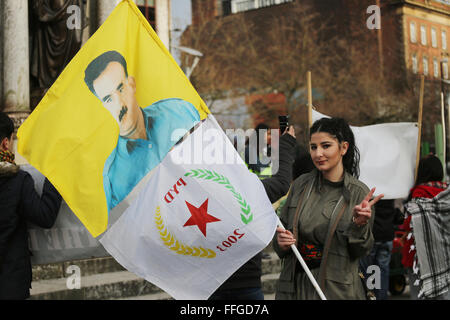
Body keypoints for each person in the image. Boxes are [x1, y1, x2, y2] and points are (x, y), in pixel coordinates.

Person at [273, 117, 383, 300]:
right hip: (294, 288)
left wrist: (359, 224)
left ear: (343, 148)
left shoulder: (359, 193)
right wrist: (281, 242)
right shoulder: (301, 184)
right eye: (313, 147)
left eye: (326, 146)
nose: (318, 154)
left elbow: (361, 251)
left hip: (335, 290)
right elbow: (280, 230)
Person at [84, 50, 201, 210]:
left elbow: (216, 160)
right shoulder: (113, 177)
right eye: (109, 99)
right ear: (104, 106)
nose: (120, 104)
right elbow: (128, 229)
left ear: (131, 84)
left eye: (120, 89)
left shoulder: (178, 112)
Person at [209, 125, 297, 300]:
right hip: (243, 284)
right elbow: (280, 183)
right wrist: (285, 144)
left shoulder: (195, 192)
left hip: (211, 282)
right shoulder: (241, 189)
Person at [0, 112, 62, 300]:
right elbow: (45, 216)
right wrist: (56, 174)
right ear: (5, 143)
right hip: (9, 285)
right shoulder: (16, 181)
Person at [400, 155, 448, 299]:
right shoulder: (446, 193)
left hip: (420, 259)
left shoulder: (418, 193)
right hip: (445, 256)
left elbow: (409, 223)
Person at [359, 199, 404, 300]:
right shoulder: (390, 195)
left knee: (368, 271)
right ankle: (381, 297)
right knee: (382, 271)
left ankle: (370, 297)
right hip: (387, 236)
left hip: (371, 236)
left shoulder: (370, 195)